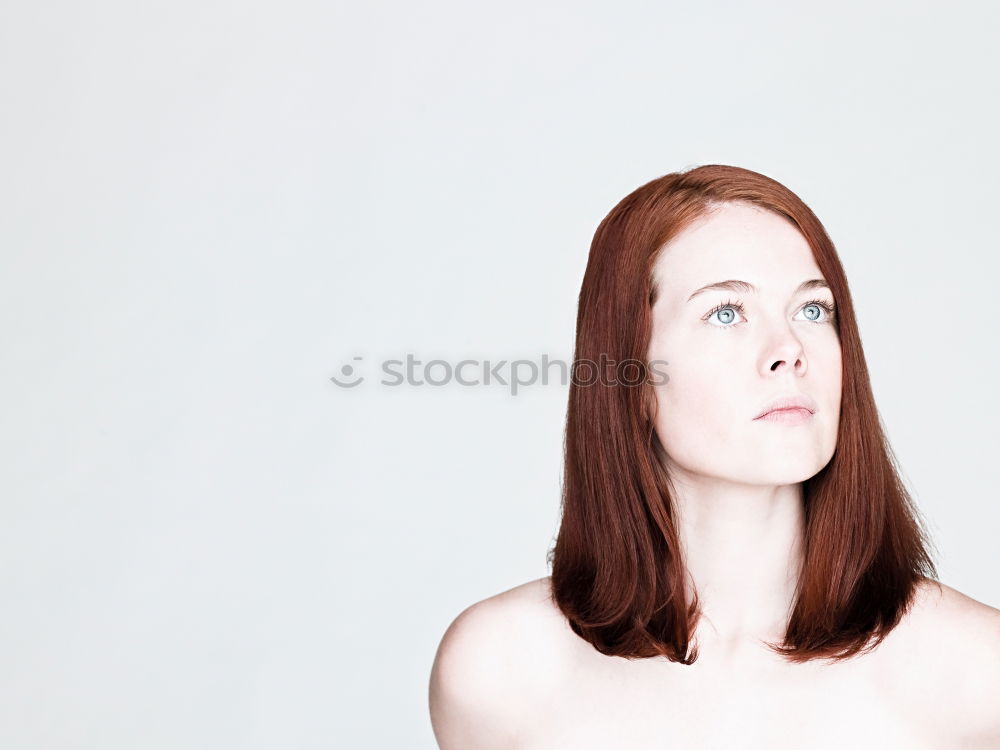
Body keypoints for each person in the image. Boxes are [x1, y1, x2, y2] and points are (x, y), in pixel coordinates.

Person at [428, 165, 1000, 749]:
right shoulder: (499, 673)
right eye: (726, 312)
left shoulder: (979, 676)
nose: (789, 351)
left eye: (812, 310)